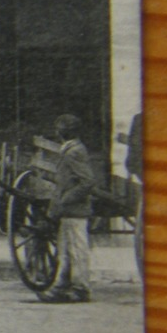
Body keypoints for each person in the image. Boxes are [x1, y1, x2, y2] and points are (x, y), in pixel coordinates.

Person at [39, 113, 101, 304]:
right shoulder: (70, 150)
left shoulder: (74, 152)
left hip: (75, 210)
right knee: (66, 250)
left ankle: (81, 289)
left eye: (59, 129)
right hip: (68, 211)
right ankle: (61, 287)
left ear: (63, 132)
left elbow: (87, 181)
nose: (58, 132)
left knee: (77, 249)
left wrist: (66, 198)